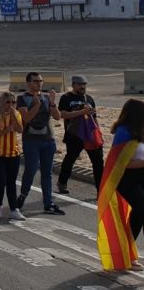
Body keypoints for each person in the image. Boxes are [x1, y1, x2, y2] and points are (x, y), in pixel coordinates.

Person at [98, 98, 144, 272]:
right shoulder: (123, 132)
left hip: (141, 177)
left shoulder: (141, 130)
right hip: (126, 178)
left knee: (140, 215)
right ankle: (126, 255)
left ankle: (128, 254)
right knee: (141, 210)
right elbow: (119, 163)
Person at [17, 72, 66, 215]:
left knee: (47, 173)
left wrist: (52, 102)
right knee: (31, 170)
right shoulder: (22, 99)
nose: (39, 83)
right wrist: (37, 105)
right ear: (28, 83)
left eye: (41, 81)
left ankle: (48, 203)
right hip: (31, 140)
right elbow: (25, 118)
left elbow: (57, 116)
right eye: (35, 81)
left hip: (48, 140)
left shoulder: (45, 98)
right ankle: (23, 195)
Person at [58, 75, 104, 194]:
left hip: (90, 135)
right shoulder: (66, 98)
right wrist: (81, 112)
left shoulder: (89, 98)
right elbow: (62, 114)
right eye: (79, 84)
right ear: (73, 85)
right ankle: (62, 182)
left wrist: (98, 132)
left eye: (84, 84)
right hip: (74, 135)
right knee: (70, 159)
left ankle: (100, 189)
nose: (82, 86)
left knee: (98, 162)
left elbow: (94, 117)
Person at [0, 92, 25, 221]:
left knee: (11, 182)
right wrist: (4, 131)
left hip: (13, 153)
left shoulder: (16, 114)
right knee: (0, 180)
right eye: (8, 102)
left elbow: (19, 129)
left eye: (13, 102)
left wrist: (13, 114)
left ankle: (14, 209)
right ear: (2, 102)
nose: (10, 105)